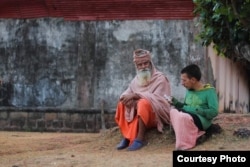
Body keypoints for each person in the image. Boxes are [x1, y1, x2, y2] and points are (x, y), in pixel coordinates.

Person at [115, 49, 171, 151]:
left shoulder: (160, 78)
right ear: (136, 66)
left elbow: (159, 100)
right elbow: (127, 92)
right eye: (140, 65)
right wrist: (124, 97)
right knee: (121, 103)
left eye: (145, 63)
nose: (143, 66)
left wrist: (136, 96)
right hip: (139, 114)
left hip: (156, 115)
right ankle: (127, 137)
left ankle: (139, 139)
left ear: (150, 63)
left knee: (143, 103)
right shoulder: (136, 80)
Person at [167, 64, 218, 150]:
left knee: (183, 116)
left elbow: (214, 112)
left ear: (193, 80)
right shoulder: (189, 91)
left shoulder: (209, 91)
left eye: (184, 80)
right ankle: (191, 135)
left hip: (202, 120)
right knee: (173, 111)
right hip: (188, 116)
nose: (182, 83)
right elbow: (185, 107)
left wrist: (197, 110)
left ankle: (185, 144)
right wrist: (175, 103)